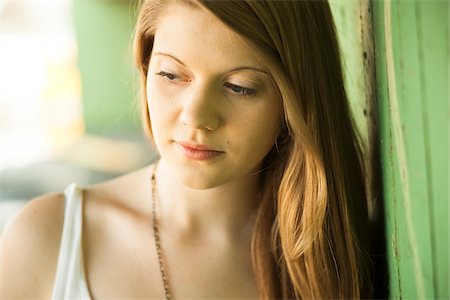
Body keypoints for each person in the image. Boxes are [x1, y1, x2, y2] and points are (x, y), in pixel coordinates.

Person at [0, 0, 373, 299]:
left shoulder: (333, 256)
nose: (195, 117)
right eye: (171, 75)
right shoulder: (47, 240)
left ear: (296, 101)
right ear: (145, 68)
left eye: (239, 87)